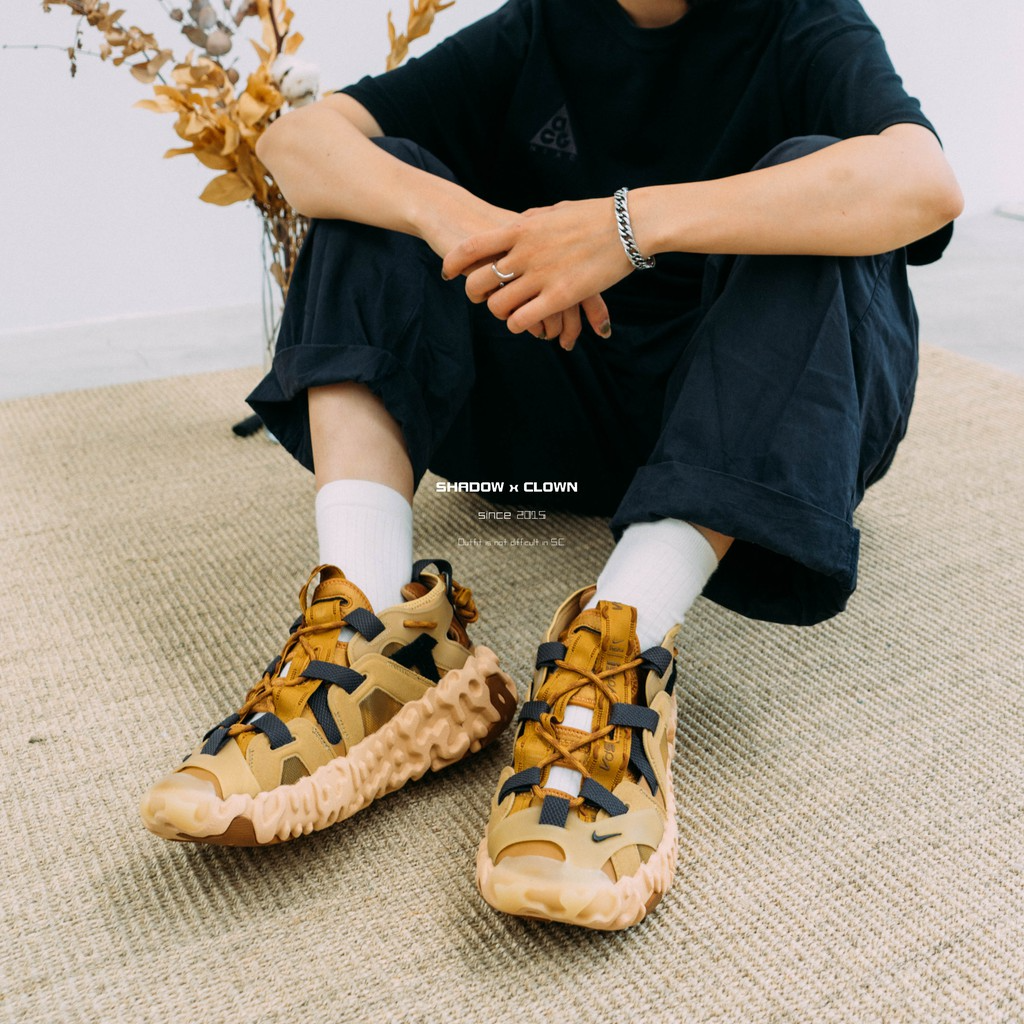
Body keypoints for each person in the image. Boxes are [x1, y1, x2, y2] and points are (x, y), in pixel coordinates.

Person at [140, 0, 962, 931]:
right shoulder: (542, 25)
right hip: (550, 427)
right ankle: (380, 636)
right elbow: (297, 143)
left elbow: (924, 182)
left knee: (822, 184)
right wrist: (464, 224)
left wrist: (623, 228)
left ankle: (618, 648)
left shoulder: (802, 22)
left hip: (762, 421)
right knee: (379, 182)